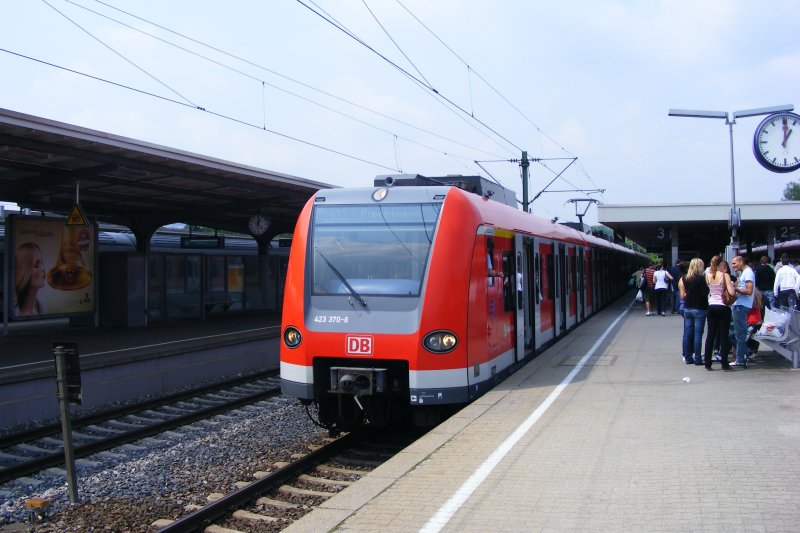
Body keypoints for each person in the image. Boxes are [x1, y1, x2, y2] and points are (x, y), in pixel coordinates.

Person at [704, 255, 735, 371]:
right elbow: (731, 292)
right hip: (723, 306)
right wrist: (732, 286)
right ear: (721, 264)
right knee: (723, 335)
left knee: (710, 335)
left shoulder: (707, 276)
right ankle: (724, 364)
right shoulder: (725, 275)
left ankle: (707, 363)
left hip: (711, 305)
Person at [678, 258, 708, 365]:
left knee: (687, 334)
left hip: (687, 308)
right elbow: (704, 294)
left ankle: (688, 357)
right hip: (699, 308)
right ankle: (698, 358)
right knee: (698, 334)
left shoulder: (684, 278)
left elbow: (683, 295)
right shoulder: (701, 279)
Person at [730, 255, 755, 367]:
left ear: (741, 262)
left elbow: (749, 290)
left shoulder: (748, 273)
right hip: (740, 305)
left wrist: (736, 289)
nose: (733, 266)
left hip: (741, 306)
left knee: (739, 334)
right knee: (737, 333)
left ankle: (741, 358)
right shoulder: (744, 273)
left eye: (734, 263)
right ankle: (743, 355)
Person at [13, 242, 47, 317]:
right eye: (36, 265)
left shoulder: (42, 308)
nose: (43, 269)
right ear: (24, 272)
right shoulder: (15, 314)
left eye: (42, 262)